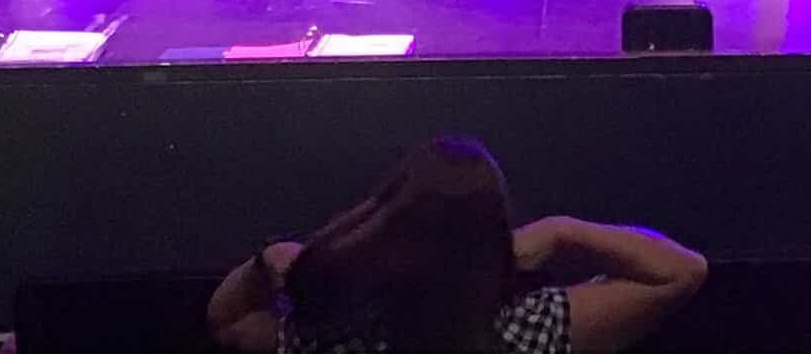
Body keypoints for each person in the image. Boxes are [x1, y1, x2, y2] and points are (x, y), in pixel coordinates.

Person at [207, 136, 707, 354]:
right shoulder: (525, 331)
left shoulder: (330, 337)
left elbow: (226, 322)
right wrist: (561, 230)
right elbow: (682, 271)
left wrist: (267, 261)